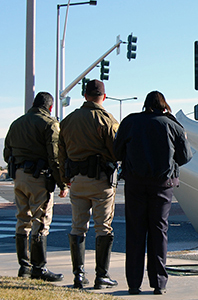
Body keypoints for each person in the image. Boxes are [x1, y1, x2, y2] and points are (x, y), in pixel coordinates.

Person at [113, 90, 193, 295]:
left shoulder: (130, 122)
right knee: (159, 232)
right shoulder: (172, 124)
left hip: (135, 183)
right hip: (162, 185)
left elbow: (116, 151)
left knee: (135, 232)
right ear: (164, 106)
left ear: (145, 105)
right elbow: (185, 156)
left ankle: (133, 283)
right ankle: (158, 283)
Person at [58, 79, 119, 289]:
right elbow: (116, 150)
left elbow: (61, 154)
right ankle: (101, 276)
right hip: (101, 180)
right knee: (103, 228)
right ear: (104, 96)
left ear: (85, 96)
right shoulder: (107, 120)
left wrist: (65, 180)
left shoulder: (68, 121)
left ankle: (78, 275)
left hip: (77, 181)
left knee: (78, 227)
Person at [3, 92, 68, 282]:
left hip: (19, 176)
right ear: (49, 107)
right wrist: (62, 183)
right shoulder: (49, 124)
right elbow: (55, 157)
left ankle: (24, 266)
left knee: (22, 220)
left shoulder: (17, 123)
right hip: (39, 178)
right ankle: (39, 268)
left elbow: (7, 152)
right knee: (41, 221)